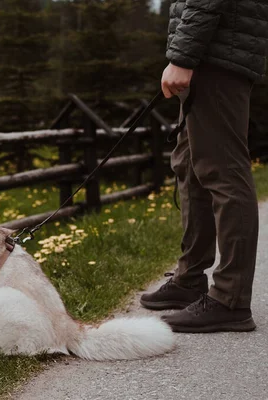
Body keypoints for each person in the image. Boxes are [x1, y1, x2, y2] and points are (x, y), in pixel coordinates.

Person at [139, 0, 267, 333]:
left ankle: (231, 299)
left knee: (223, 170)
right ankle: (189, 278)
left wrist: (182, 57)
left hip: (217, 55)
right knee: (190, 164)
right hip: (211, 52)